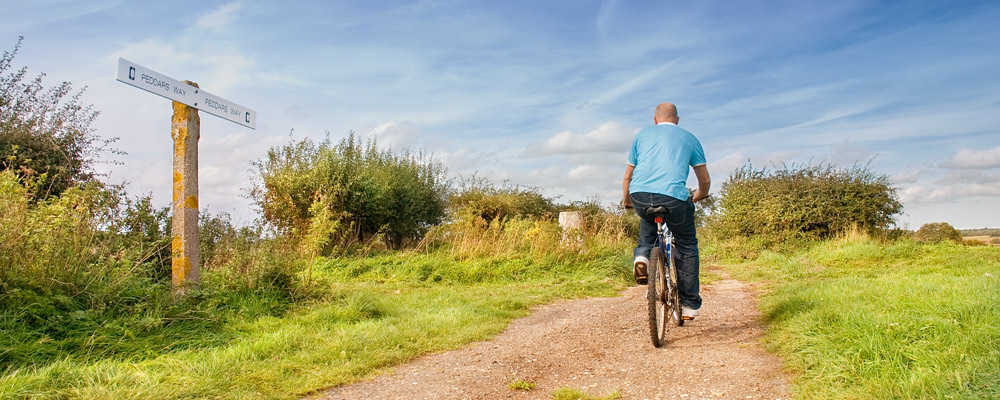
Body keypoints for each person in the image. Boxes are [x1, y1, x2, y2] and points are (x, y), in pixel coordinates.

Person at [622, 102, 710, 320]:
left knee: (647, 217)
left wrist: (628, 201)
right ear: (677, 120)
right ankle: (689, 304)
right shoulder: (689, 138)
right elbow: (704, 180)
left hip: (640, 194)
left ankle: (642, 255)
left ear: (655, 119)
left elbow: (627, 176)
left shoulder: (642, 135)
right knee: (687, 243)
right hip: (674, 198)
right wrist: (699, 195)